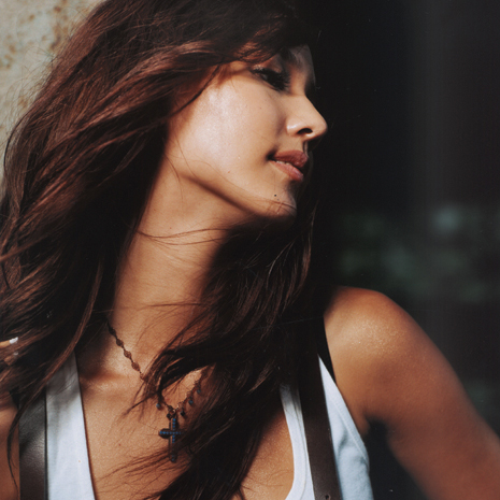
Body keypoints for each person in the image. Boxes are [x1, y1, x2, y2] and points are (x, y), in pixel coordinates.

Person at [1, 0, 500, 499]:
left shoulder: (358, 345)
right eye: (273, 77)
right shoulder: (16, 410)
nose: (315, 121)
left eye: (310, 93)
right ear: (159, 81)